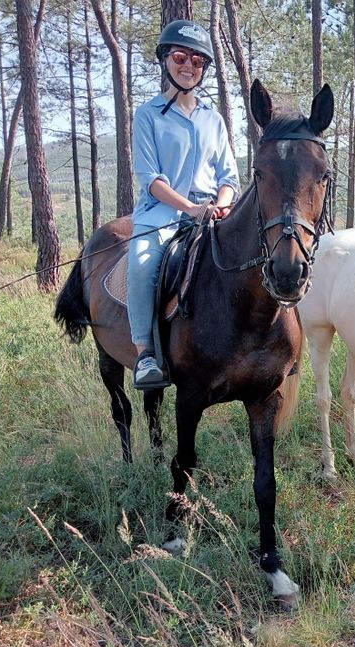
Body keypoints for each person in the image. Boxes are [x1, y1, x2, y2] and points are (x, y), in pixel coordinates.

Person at [128, 19, 239, 389]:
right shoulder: (147, 115)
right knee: (143, 265)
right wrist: (189, 209)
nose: (188, 66)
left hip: (210, 215)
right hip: (161, 216)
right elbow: (152, 179)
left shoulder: (214, 119)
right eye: (180, 56)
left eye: (197, 60)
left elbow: (228, 177)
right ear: (165, 60)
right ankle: (145, 354)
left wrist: (221, 205)